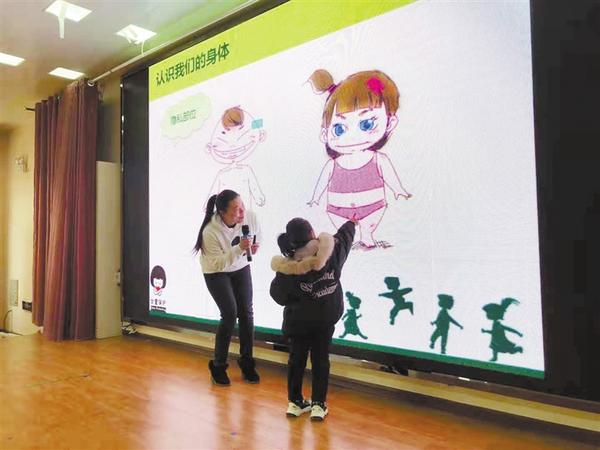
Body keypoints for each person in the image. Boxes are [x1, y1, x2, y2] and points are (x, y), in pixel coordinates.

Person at [306, 69, 412, 249]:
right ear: (325, 134)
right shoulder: (333, 164)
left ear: (390, 123)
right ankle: (350, 243)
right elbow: (323, 181)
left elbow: (390, 176)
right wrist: (315, 198)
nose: (352, 137)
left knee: (368, 224)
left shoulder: (378, 159)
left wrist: (398, 190)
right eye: (339, 129)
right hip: (338, 210)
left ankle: (367, 237)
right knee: (343, 233)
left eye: (366, 124)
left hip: (372, 207)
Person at [270, 217, 355, 421]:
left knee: (296, 360)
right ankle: (318, 405)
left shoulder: (289, 268)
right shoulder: (331, 253)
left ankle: (295, 402)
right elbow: (344, 238)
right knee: (321, 361)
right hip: (324, 322)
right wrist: (351, 224)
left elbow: (278, 296)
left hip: (297, 323)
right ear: (312, 234)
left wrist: (297, 298)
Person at [193, 189, 261, 386]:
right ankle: (218, 366)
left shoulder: (250, 217)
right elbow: (220, 264)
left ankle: (247, 363)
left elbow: (258, 237)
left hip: (241, 267)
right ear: (222, 213)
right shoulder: (210, 231)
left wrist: (254, 246)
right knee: (230, 314)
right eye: (236, 209)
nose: (242, 212)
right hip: (216, 271)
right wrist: (239, 248)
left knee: (246, 313)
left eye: (242, 206)